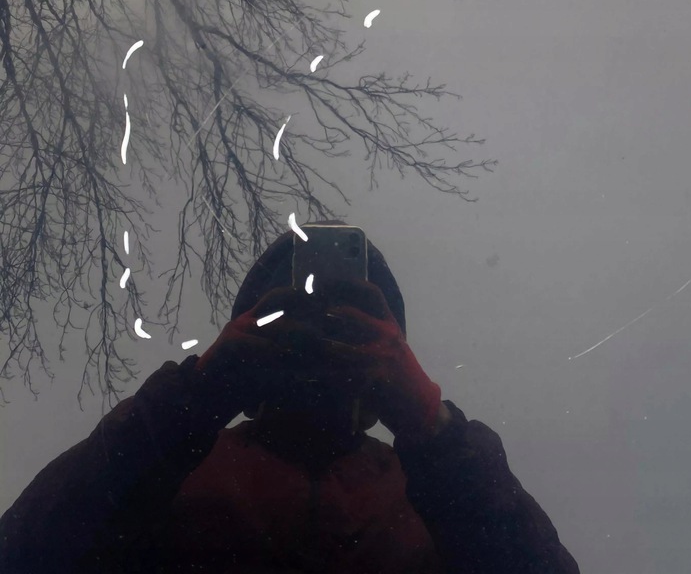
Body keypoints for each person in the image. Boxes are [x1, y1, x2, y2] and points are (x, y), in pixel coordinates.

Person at [0, 230, 581, 573]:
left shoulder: (426, 490)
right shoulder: (176, 468)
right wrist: (194, 396)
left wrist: (434, 426)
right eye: (291, 318)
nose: (318, 337)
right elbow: (23, 554)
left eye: (350, 322)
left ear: (389, 354)